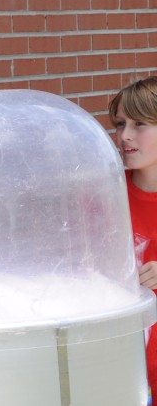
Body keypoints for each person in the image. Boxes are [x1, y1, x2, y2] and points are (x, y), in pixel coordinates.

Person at [108, 75, 157, 401]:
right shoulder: (105, 193)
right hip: (120, 365)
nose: (125, 135)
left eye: (139, 124)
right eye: (120, 123)